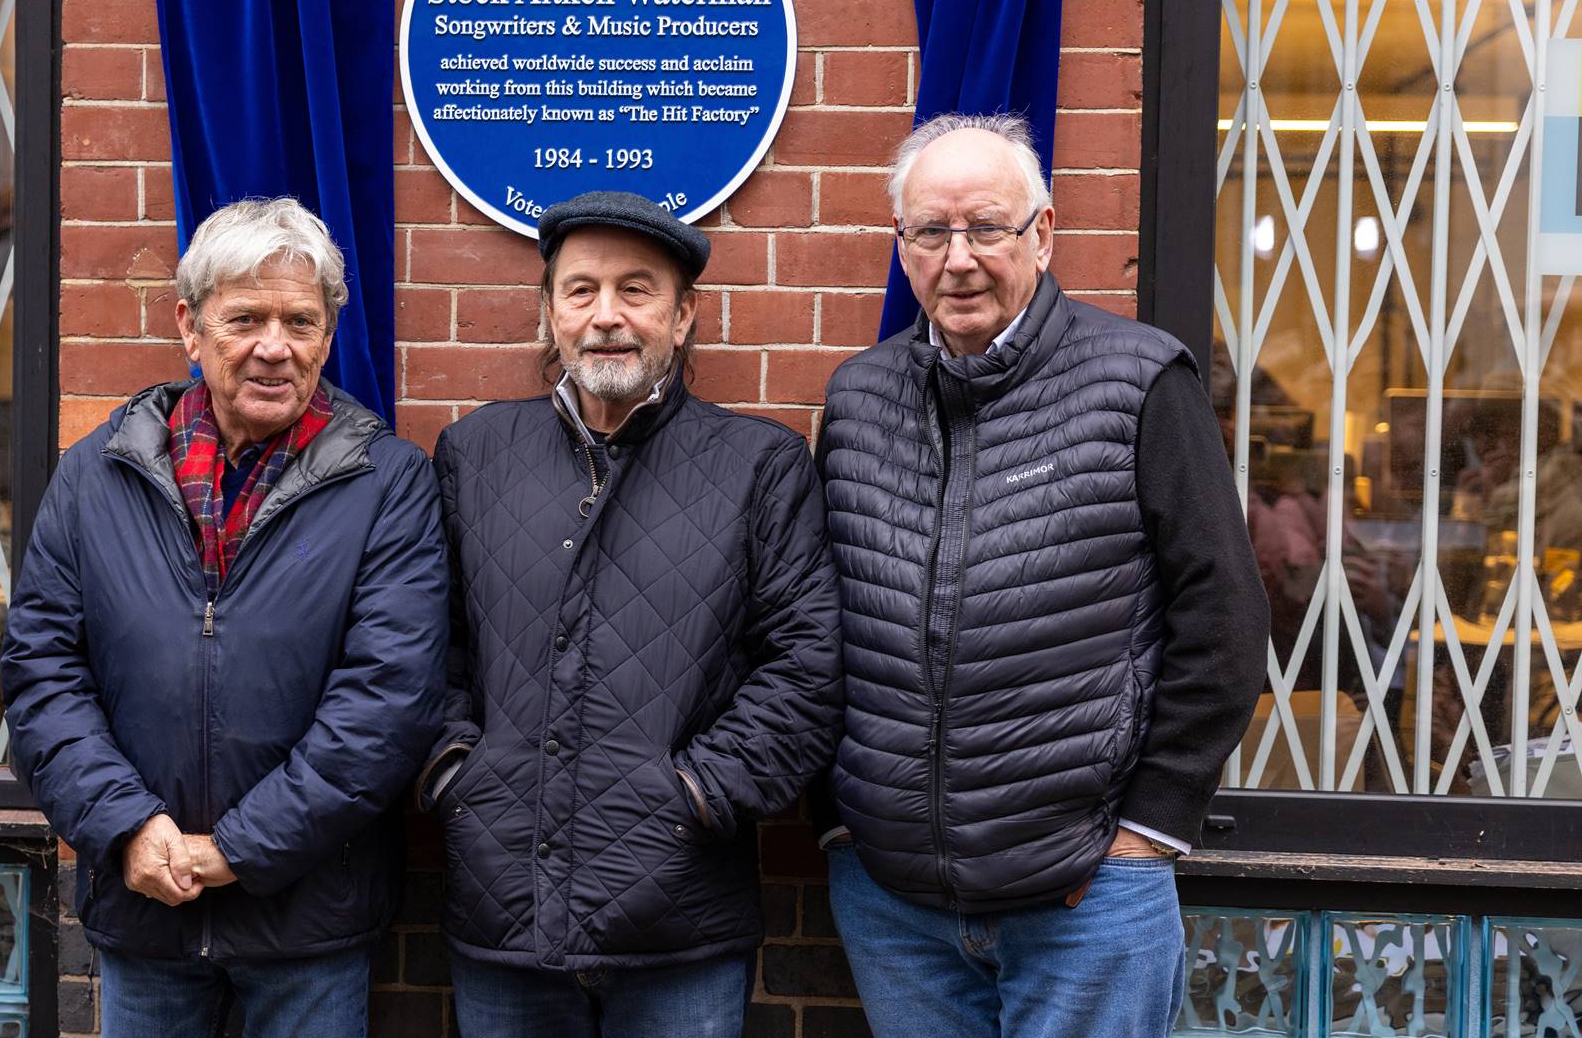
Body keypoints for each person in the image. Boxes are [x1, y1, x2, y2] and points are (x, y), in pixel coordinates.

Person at [815, 114, 1269, 1037]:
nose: (960, 258)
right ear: (901, 246)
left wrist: (1150, 830)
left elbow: (1222, 616)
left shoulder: (1139, 379)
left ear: (1044, 233)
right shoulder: (857, 399)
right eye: (931, 232)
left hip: (1088, 890)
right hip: (894, 900)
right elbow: (822, 619)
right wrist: (838, 816)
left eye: (988, 227)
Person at [0, 197, 447, 1037]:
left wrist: (239, 850)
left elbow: (387, 705)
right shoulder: (96, 476)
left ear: (328, 334)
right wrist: (128, 829)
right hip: (147, 914)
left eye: (299, 321)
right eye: (245, 317)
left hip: (307, 922)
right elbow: (41, 677)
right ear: (189, 325)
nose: (273, 346)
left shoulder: (388, 485)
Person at [418, 190, 844, 1037]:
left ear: (683, 318)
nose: (606, 317)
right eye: (581, 291)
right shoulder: (475, 453)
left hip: (680, 918)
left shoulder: (760, 465)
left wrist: (696, 792)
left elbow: (805, 670)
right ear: (550, 315)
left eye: (636, 291)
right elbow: (428, 646)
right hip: (501, 908)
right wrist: (452, 772)